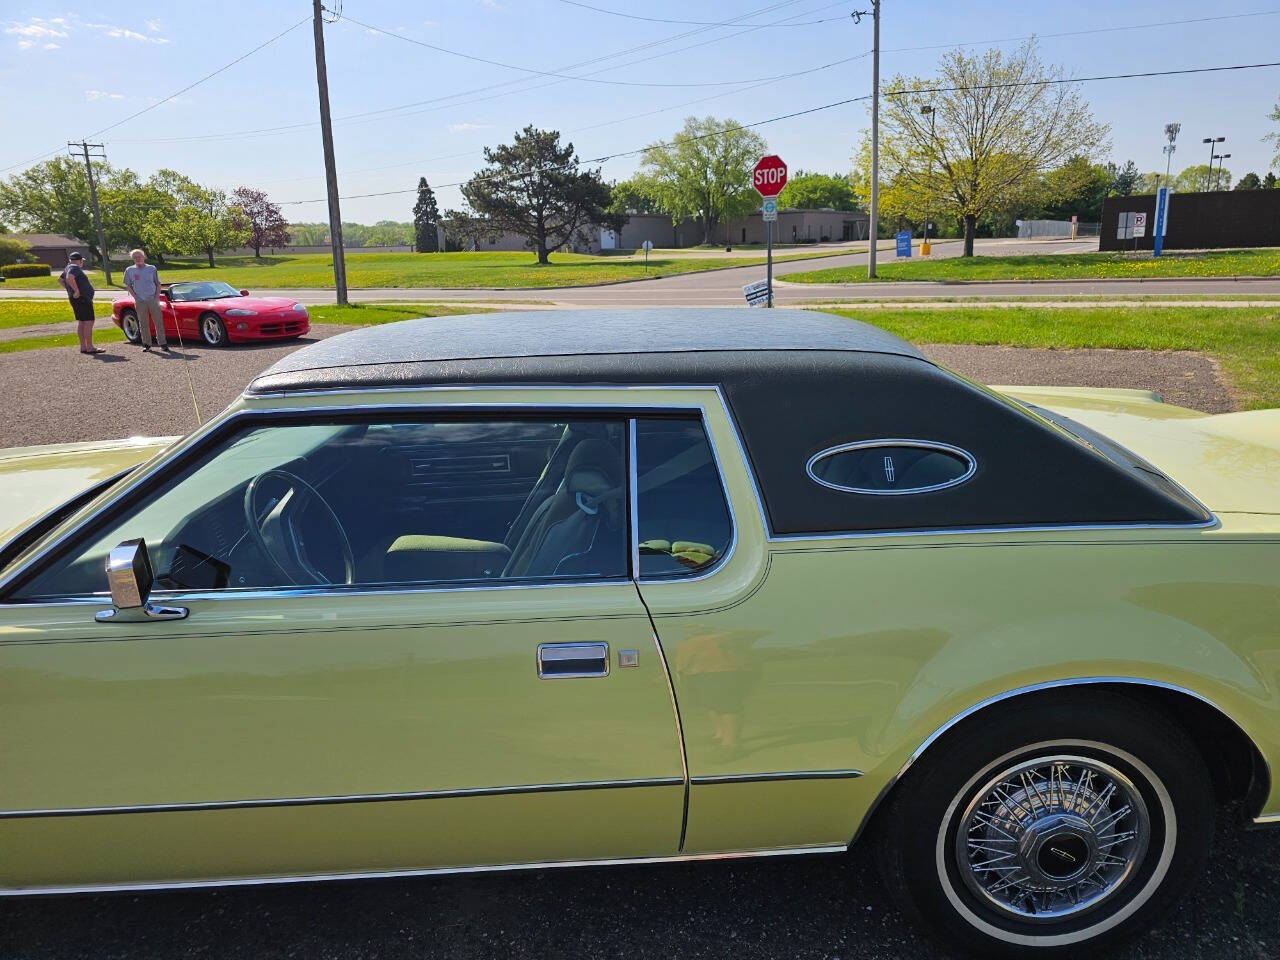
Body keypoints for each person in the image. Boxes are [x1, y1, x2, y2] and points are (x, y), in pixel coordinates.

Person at [123, 248, 168, 352]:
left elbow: (158, 283)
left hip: (153, 299)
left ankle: (162, 343)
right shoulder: (129, 270)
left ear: (144, 257)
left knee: (158, 322)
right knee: (143, 323)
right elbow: (128, 285)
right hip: (140, 301)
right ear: (132, 259)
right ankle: (147, 344)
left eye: (139, 256)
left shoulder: (152, 268)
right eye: (135, 257)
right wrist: (135, 297)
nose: (138, 259)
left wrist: (156, 297)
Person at [59, 252, 103, 355]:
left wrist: (69, 289)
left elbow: (60, 280)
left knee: (82, 322)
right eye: (81, 260)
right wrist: (76, 291)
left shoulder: (68, 267)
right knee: (88, 321)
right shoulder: (74, 267)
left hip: (77, 299)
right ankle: (90, 347)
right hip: (82, 299)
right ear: (80, 260)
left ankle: (83, 347)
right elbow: (69, 278)